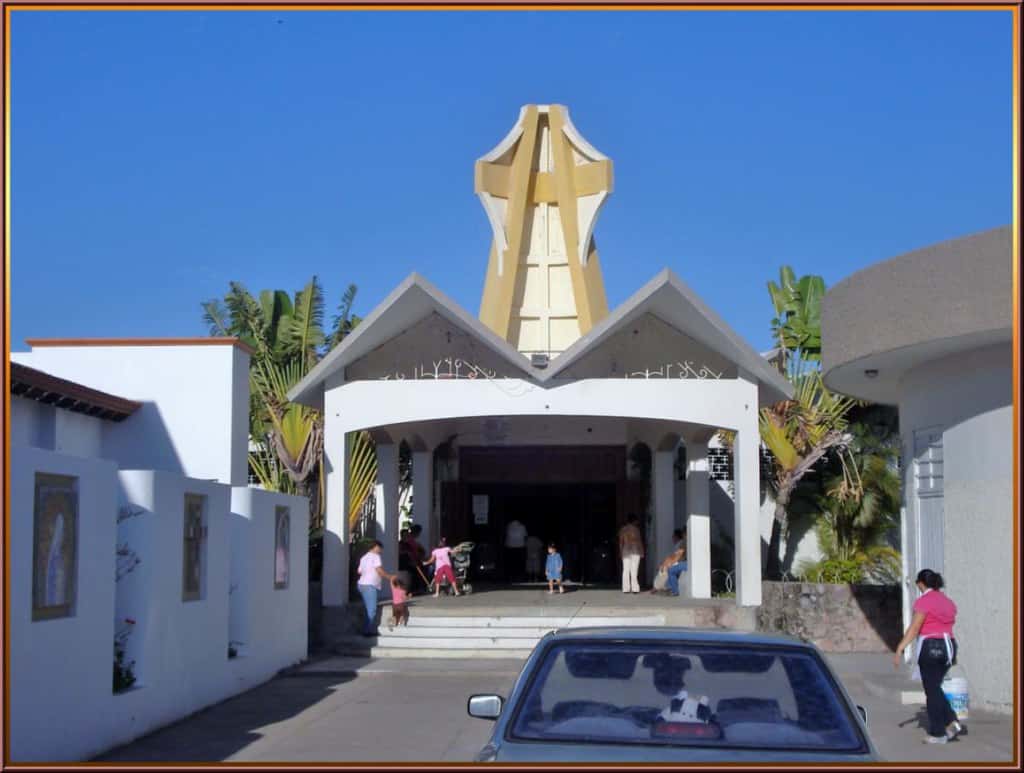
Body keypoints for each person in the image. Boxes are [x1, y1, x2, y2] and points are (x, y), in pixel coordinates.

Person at [892, 568, 963, 744]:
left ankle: (938, 733)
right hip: (949, 647)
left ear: (920, 584)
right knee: (935, 688)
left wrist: (901, 647)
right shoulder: (948, 602)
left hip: (931, 647)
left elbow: (915, 628)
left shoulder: (924, 601)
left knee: (932, 691)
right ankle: (951, 721)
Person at [356, 541, 395, 637]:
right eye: (380, 548)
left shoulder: (363, 557)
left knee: (368, 608)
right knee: (372, 609)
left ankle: (366, 628)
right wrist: (390, 577)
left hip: (361, 584)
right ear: (375, 547)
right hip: (370, 585)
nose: (381, 550)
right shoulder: (375, 556)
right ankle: (367, 630)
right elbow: (379, 570)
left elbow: (359, 571)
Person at [617, 515, 645, 594]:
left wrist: (620, 552)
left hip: (625, 550)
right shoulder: (636, 529)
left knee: (626, 570)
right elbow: (639, 541)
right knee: (634, 570)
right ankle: (635, 588)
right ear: (634, 521)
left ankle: (626, 588)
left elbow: (620, 542)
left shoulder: (623, 529)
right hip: (635, 550)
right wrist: (642, 551)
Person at [505, 518, 528, 583]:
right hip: (520, 546)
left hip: (510, 547)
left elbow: (506, 535)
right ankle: (519, 577)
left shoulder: (509, 526)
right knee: (519, 563)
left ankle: (511, 577)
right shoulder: (522, 526)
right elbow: (525, 536)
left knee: (511, 563)